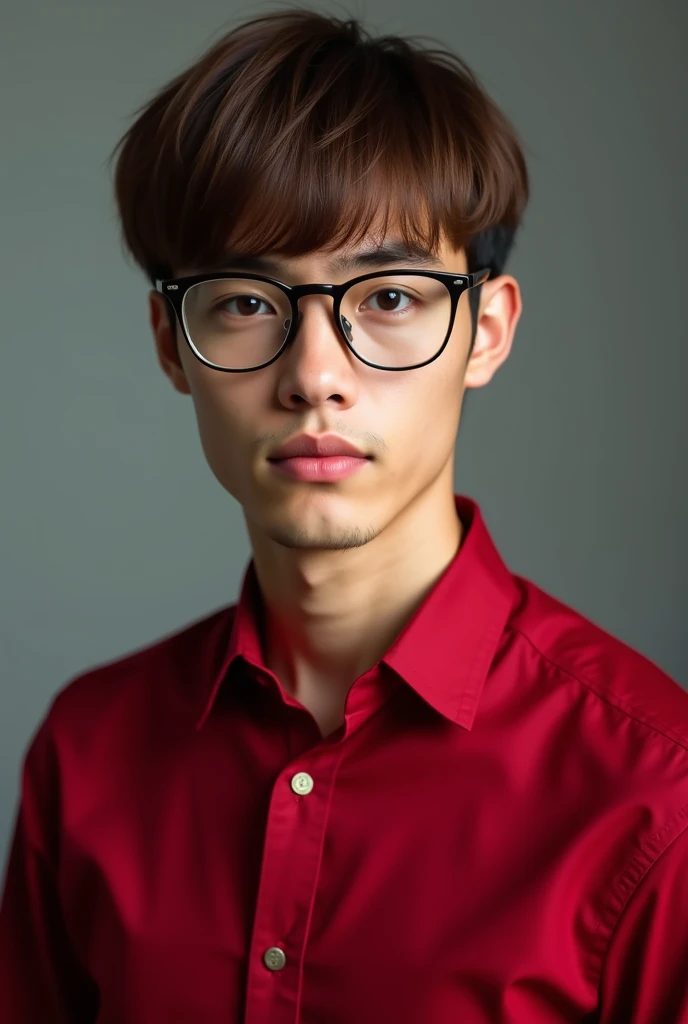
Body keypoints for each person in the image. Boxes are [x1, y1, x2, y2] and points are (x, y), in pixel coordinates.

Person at [1, 7, 687, 1022]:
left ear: (485, 332)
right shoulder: (88, 751)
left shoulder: (653, 791)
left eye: (389, 298)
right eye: (244, 301)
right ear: (169, 342)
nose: (315, 376)